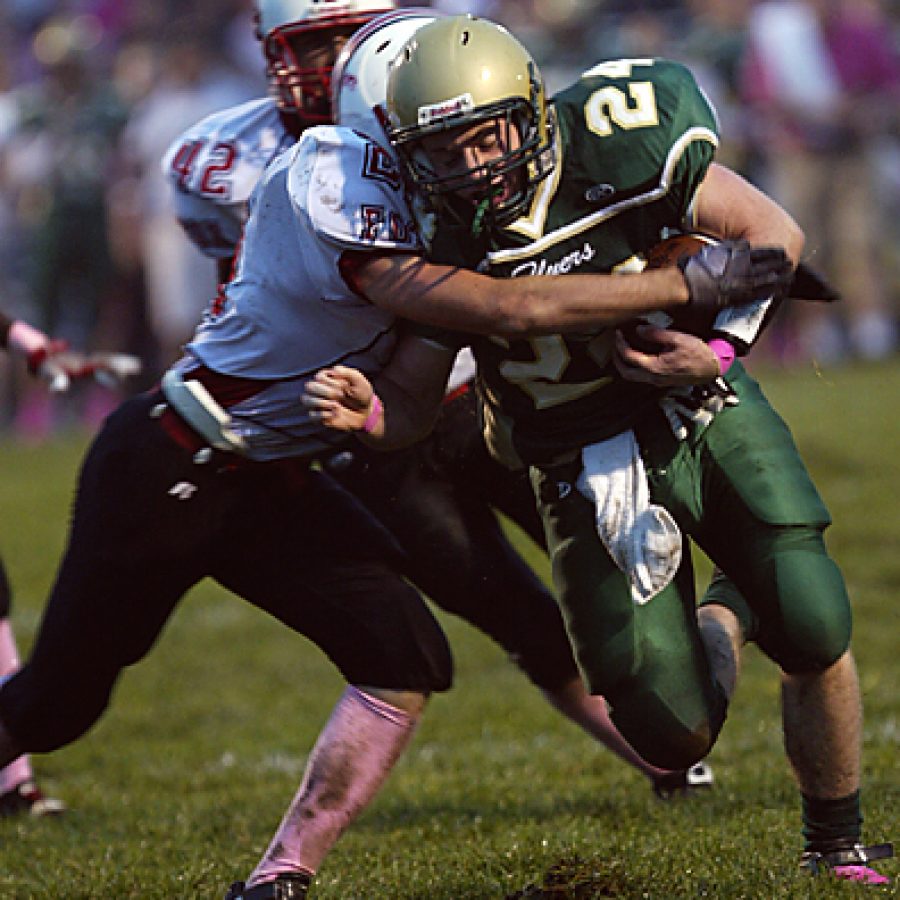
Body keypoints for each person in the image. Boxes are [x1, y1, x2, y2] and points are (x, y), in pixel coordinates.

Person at [0, 13, 783, 900]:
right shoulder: (326, 174)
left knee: (405, 652)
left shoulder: (425, 182)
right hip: (173, 462)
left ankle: (279, 877)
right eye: (436, 137)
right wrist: (682, 284)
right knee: (58, 706)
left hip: (277, 473)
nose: (462, 154)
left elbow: (495, 285)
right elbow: (498, 307)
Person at [303, 14, 893, 885]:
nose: (469, 166)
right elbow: (418, 397)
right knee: (668, 732)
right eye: (442, 150)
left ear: (533, 108)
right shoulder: (428, 232)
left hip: (693, 410)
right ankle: (733, 609)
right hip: (575, 463)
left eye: (483, 135)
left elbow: (774, 235)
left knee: (815, 622)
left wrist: (719, 352)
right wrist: (373, 415)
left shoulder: (618, 141)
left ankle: (836, 842)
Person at [161, 0, 717, 830]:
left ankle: (683, 703)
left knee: (615, 554)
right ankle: (665, 758)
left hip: (482, 390)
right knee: (504, 605)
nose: (323, 63)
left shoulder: (453, 110)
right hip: (369, 420)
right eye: (301, 45)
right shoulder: (225, 158)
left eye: (340, 39)